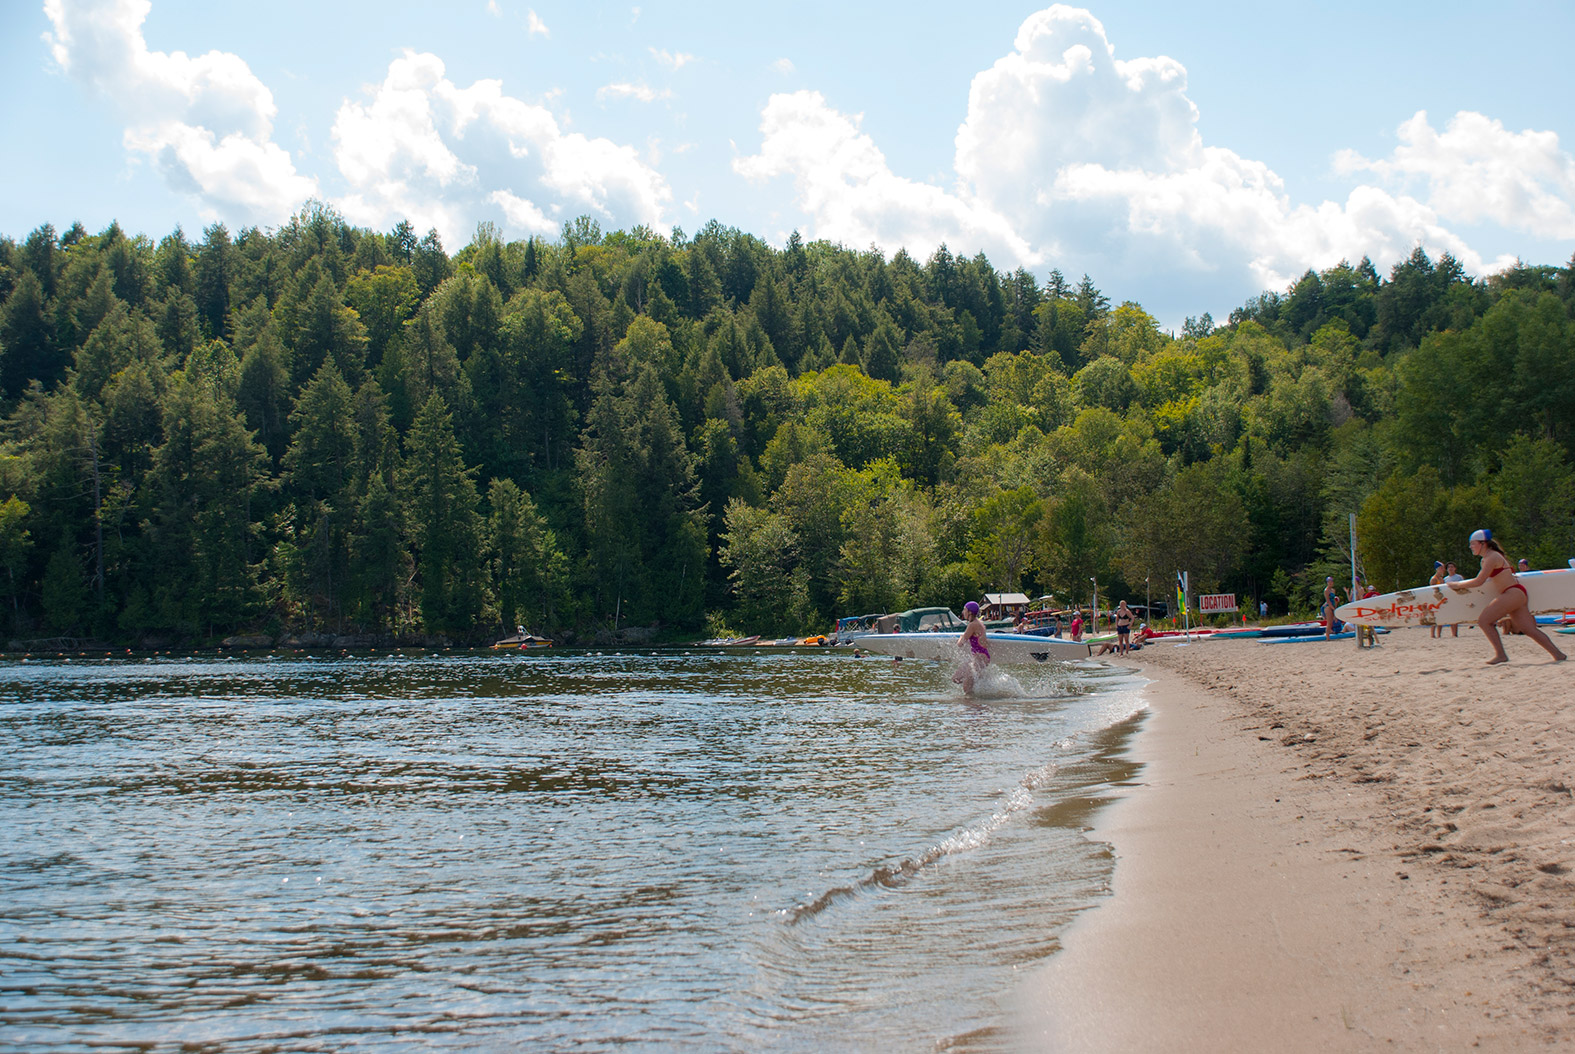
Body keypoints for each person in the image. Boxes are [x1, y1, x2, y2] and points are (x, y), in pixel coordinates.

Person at [1450, 528, 1565, 665]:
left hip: (1511, 593)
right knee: (1529, 630)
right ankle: (1558, 654)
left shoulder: (1491, 557)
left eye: (1472, 543)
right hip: (1516, 594)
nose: (1470, 546)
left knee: (1484, 621)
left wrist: (1457, 585)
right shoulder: (1490, 557)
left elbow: (1479, 581)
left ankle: (1501, 654)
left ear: (1483, 543)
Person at [952, 600, 991, 694]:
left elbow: (960, 644)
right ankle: (977, 691)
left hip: (980, 658)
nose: (962, 612)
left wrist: (961, 637)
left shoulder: (973, 625)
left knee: (967, 688)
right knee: (956, 678)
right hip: (977, 657)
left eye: (964, 610)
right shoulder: (977, 623)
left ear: (969, 612)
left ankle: (974, 705)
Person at [1444, 562, 1464, 636]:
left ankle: (1455, 633)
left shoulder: (1459, 577)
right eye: (1449, 567)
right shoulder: (1445, 579)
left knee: (1456, 615)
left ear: (1455, 568)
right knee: (1451, 616)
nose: (1450, 568)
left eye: (1452, 567)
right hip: (1449, 598)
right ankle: (1453, 633)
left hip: (1457, 597)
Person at [1428, 561, 1446, 638]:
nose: (1443, 569)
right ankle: (1432, 634)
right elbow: (1431, 590)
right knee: (1434, 617)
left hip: (1440, 599)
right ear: (1437, 569)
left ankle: (1439, 634)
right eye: (1441, 568)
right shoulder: (1434, 579)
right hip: (1435, 600)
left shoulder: (1441, 578)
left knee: (1441, 617)